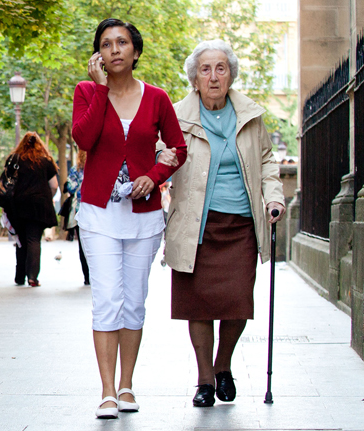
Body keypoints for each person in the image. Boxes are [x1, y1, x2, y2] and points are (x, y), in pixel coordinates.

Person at [72, 18, 187, 419]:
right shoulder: (87, 92)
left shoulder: (157, 98)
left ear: (135, 52)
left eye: (122, 43)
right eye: (106, 44)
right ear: (98, 55)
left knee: (134, 302)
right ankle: (106, 391)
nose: (115, 49)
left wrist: (153, 177)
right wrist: (102, 91)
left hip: (143, 217)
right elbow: (83, 140)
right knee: (107, 300)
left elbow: (178, 147)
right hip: (99, 214)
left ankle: (127, 386)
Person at [165, 40, 285, 408]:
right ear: (195, 78)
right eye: (206, 69)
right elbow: (160, 150)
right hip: (195, 225)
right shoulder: (177, 114)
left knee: (236, 303)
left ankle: (223, 365)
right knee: (197, 304)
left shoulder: (250, 114)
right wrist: (162, 160)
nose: (214, 76)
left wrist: (274, 196)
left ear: (231, 74)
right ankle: (204, 380)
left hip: (240, 225)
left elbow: (266, 161)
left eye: (221, 68)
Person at [0, 132, 58, 287]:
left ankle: (19, 276)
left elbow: (6, 180)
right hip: (39, 205)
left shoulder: (14, 159)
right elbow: (55, 185)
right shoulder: (46, 162)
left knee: (21, 240)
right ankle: (32, 277)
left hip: (18, 205)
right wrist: (47, 196)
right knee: (34, 240)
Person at [65, 149, 90, 285]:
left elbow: (70, 187)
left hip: (80, 210)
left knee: (83, 243)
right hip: (98, 209)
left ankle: (87, 276)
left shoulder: (76, 170)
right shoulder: (99, 167)